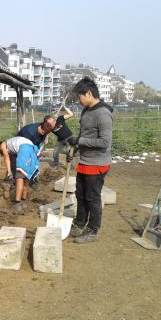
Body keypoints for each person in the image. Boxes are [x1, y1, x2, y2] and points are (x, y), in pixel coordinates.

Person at [67, 77, 113, 243]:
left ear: (88, 93)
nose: (78, 101)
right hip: (85, 162)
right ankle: (79, 223)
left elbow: (104, 142)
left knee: (92, 197)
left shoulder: (103, 114)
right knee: (80, 195)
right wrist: (75, 147)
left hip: (98, 163)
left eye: (80, 97)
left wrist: (80, 141)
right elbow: (85, 136)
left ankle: (93, 230)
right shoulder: (86, 111)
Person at [0, 137, 40, 215]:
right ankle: (24, 200)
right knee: (26, 176)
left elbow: (6, 158)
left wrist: (9, 172)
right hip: (32, 149)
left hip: (24, 148)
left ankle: (17, 203)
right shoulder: (12, 145)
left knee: (19, 177)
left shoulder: (3, 145)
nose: (0, 154)